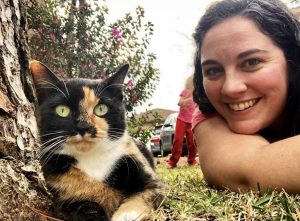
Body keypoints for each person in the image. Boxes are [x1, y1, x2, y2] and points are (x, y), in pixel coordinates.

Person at [192, 0, 300, 194]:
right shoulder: (207, 110)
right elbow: (251, 170)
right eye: (214, 70)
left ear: (292, 63)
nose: (230, 88)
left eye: (252, 62)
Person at [167, 75, 198, 169]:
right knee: (178, 140)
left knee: (192, 143)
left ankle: (191, 160)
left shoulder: (197, 94)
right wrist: (189, 99)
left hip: (192, 121)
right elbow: (179, 103)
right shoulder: (185, 92)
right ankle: (172, 162)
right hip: (181, 120)